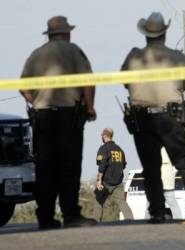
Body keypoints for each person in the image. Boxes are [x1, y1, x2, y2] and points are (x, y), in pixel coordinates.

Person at [121, 12, 185, 223]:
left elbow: (125, 82)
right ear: (164, 33)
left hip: (142, 117)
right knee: (184, 163)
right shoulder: (176, 57)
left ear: (145, 34)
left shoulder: (134, 57)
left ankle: (158, 211)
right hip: (171, 117)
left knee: (151, 168)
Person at [20, 16, 97, 229]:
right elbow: (88, 81)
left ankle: (45, 217)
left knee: (45, 168)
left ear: (50, 35)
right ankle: (71, 215)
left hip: (42, 117)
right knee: (69, 165)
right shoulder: (74, 51)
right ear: (66, 33)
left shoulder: (36, 55)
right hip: (68, 116)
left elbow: (23, 86)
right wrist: (90, 107)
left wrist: (35, 101)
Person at [94, 128, 133, 221]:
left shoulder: (104, 148)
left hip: (106, 182)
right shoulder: (120, 149)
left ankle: (95, 223)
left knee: (98, 201)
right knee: (123, 203)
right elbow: (124, 165)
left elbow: (101, 164)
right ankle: (131, 221)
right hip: (118, 182)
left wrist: (99, 180)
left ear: (104, 136)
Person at [161, 147, 182, 219]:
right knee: (172, 201)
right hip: (167, 179)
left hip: (164, 178)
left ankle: (147, 220)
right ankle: (178, 218)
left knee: (151, 201)